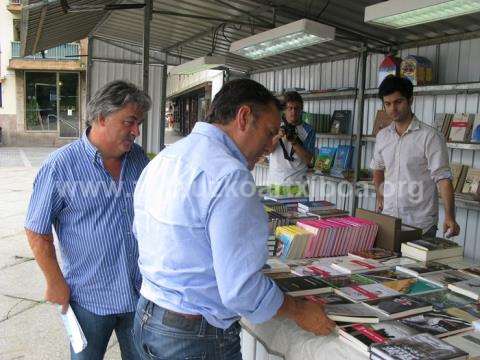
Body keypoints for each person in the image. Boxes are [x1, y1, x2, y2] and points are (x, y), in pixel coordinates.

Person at [132, 79, 335, 360]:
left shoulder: (167, 158)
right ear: (243, 117)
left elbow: (140, 234)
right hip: (195, 335)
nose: (269, 146)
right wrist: (300, 311)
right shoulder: (230, 176)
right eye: (268, 132)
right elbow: (240, 290)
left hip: (148, 316)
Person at [24, 80, 151, 360]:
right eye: (129, 122)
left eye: (138, 123)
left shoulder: (140, 160)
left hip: (139, 294)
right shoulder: (60, 166)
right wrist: (54, 281)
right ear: (101, 118)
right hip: (88, 300)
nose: (136, 131)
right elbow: (36, 231)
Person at [371, 75, 460, 239]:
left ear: (410, 100)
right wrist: (380, 195)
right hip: (389, 221)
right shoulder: (382, 136)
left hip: (420, 226)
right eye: (387, 104)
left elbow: (443, 179)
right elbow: (378, 168)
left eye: (398, 102)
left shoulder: (430, 137)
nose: (393, 109)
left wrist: (450, 216)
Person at [267, 91, 316, 186]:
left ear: (301, 110)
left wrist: (294, 141)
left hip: (298, 185)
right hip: (275, 183)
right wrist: (277, 136)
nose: (293, 112)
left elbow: (309, 161)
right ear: (284, 110)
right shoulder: (275, 126)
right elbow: (266, 151)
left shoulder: (309, 130)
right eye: (290, 108)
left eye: (297, 108)